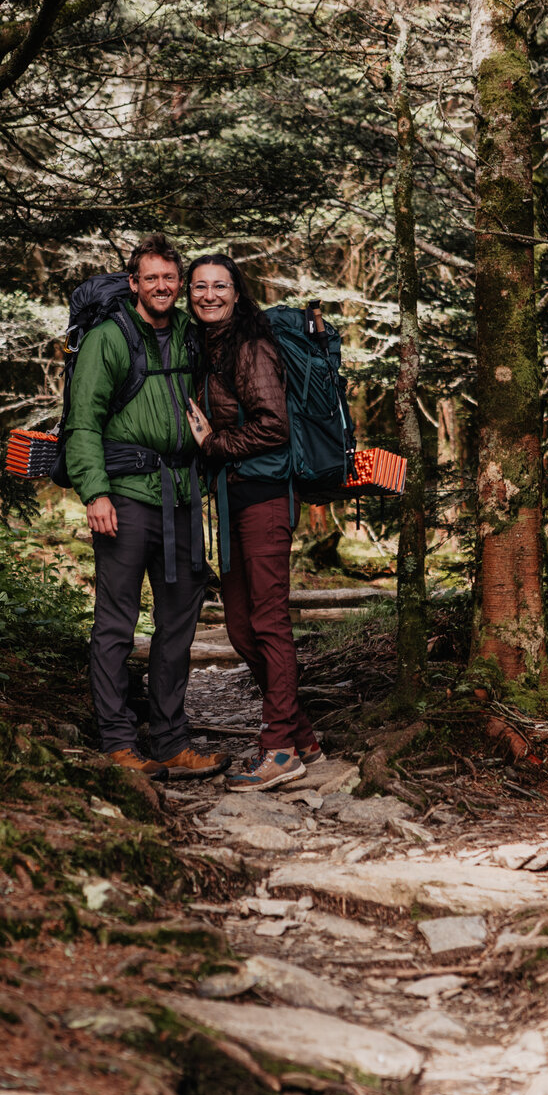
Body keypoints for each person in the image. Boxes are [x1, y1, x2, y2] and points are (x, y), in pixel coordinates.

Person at [65, 234, 230, 779]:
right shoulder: (108, 339)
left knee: (178, 624)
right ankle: (117, 743)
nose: (161, 286)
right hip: (125, 498)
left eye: (169, 278)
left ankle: (171, 741)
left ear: (179, 284)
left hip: (181, 496)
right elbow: (83, 421)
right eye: (151, 277)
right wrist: (95, 492)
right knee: (116, 623)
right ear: (133, 283)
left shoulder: (188, 332)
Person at [185, 254, 322, 791]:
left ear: (237, 293)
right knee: (241, 628)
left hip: (265, 498)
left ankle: (280, 749)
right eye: (200, 286)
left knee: (268, 622)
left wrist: (214, 445)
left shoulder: (250, 346)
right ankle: (302, 736)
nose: (209, 295)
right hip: (236, 498)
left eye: (220, 286)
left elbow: (274, 426)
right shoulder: (210, 347)